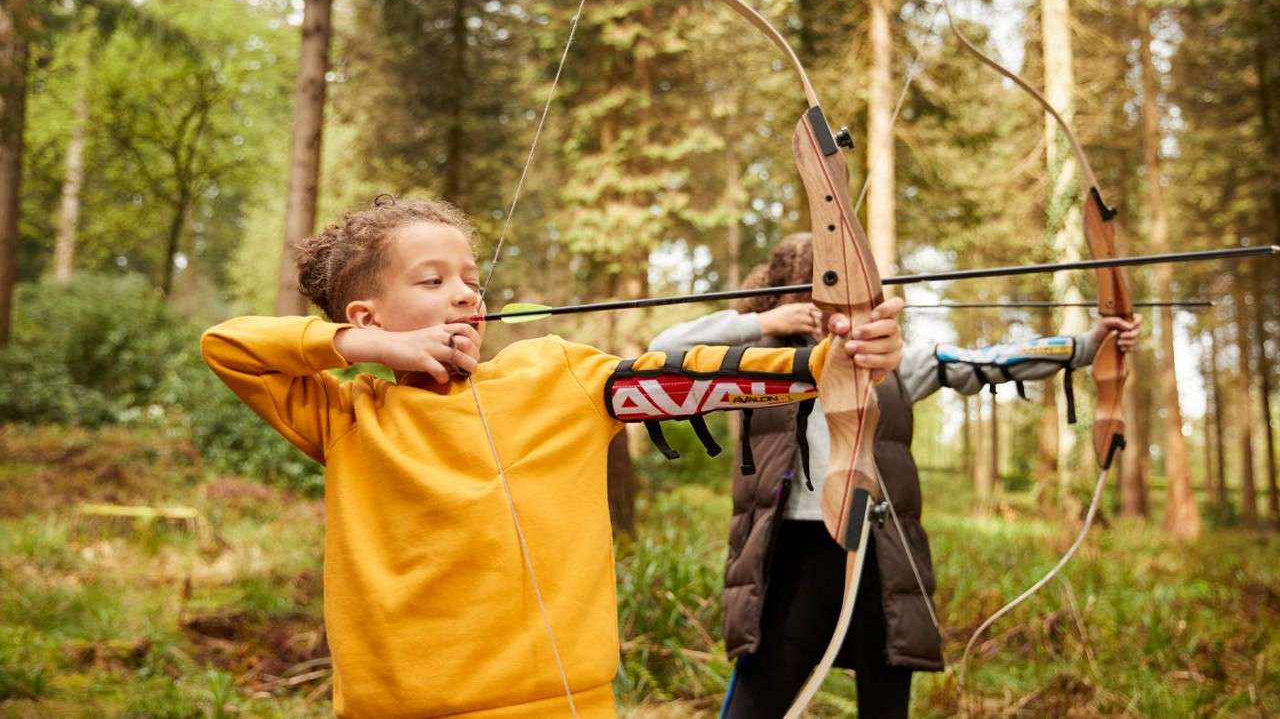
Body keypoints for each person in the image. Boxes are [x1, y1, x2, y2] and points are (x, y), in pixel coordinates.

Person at [200, 197, 906, 718]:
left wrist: (829, 363)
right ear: (365, 317)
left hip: (561, 704)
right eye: (431, 280)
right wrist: (367, 353)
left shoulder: (554, 375)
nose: (465, 293)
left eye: (470, 279)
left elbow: (677, 378)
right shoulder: (348, 415)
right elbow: (228, 346)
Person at [647, 233, 1142, 718]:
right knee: (756, 702)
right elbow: (664, 350)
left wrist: (1086, 344)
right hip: (791, 557)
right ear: (794, 295)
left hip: (879, 554)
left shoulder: (892, 361)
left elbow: (988, 361)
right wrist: (761, 321)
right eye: (818, 291)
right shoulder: (758, 359)